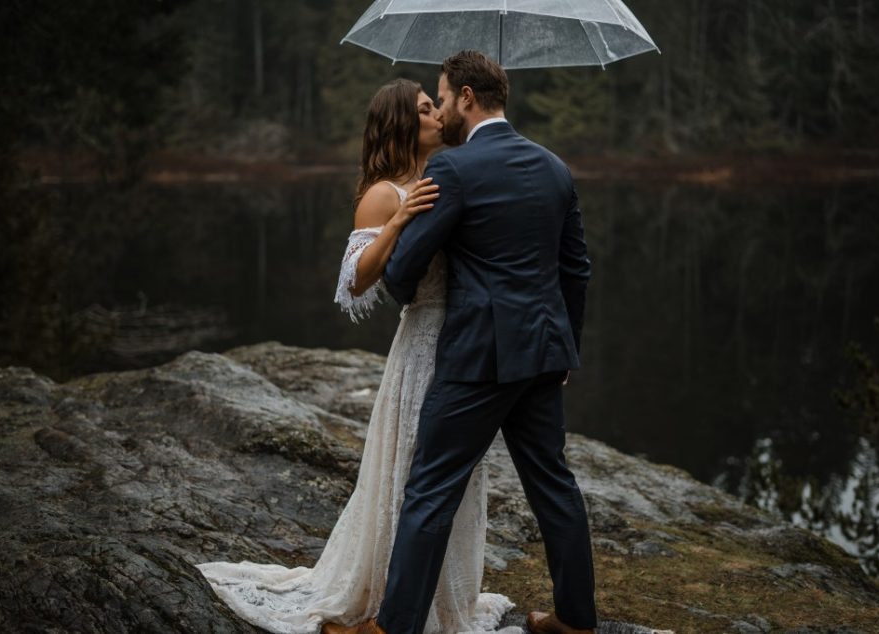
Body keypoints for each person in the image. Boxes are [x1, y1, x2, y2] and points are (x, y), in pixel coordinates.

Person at [196, 79, 517, 634]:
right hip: (424, 343)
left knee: (455, 478)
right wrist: (397, 221)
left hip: (468, 342)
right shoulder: (385, 192)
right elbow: (357, 279)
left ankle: (444, 600)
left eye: (435, 104)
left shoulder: (449, 175)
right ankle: (391, 599)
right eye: (424, 109)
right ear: (401, 124)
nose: (437, 114)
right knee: (417, 471)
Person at [330, 51, 596, 634]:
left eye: (444, 97)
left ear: (468, 98)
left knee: (430, 489)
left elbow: (401, 279)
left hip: (477, 355)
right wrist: (564, 348)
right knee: (553, 483)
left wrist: (407, 259)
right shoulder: (554, 166)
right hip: (544, 354)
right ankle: (576, 620)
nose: (441, 107)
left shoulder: (453, 171)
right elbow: (575, 270)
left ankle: (393, 628)